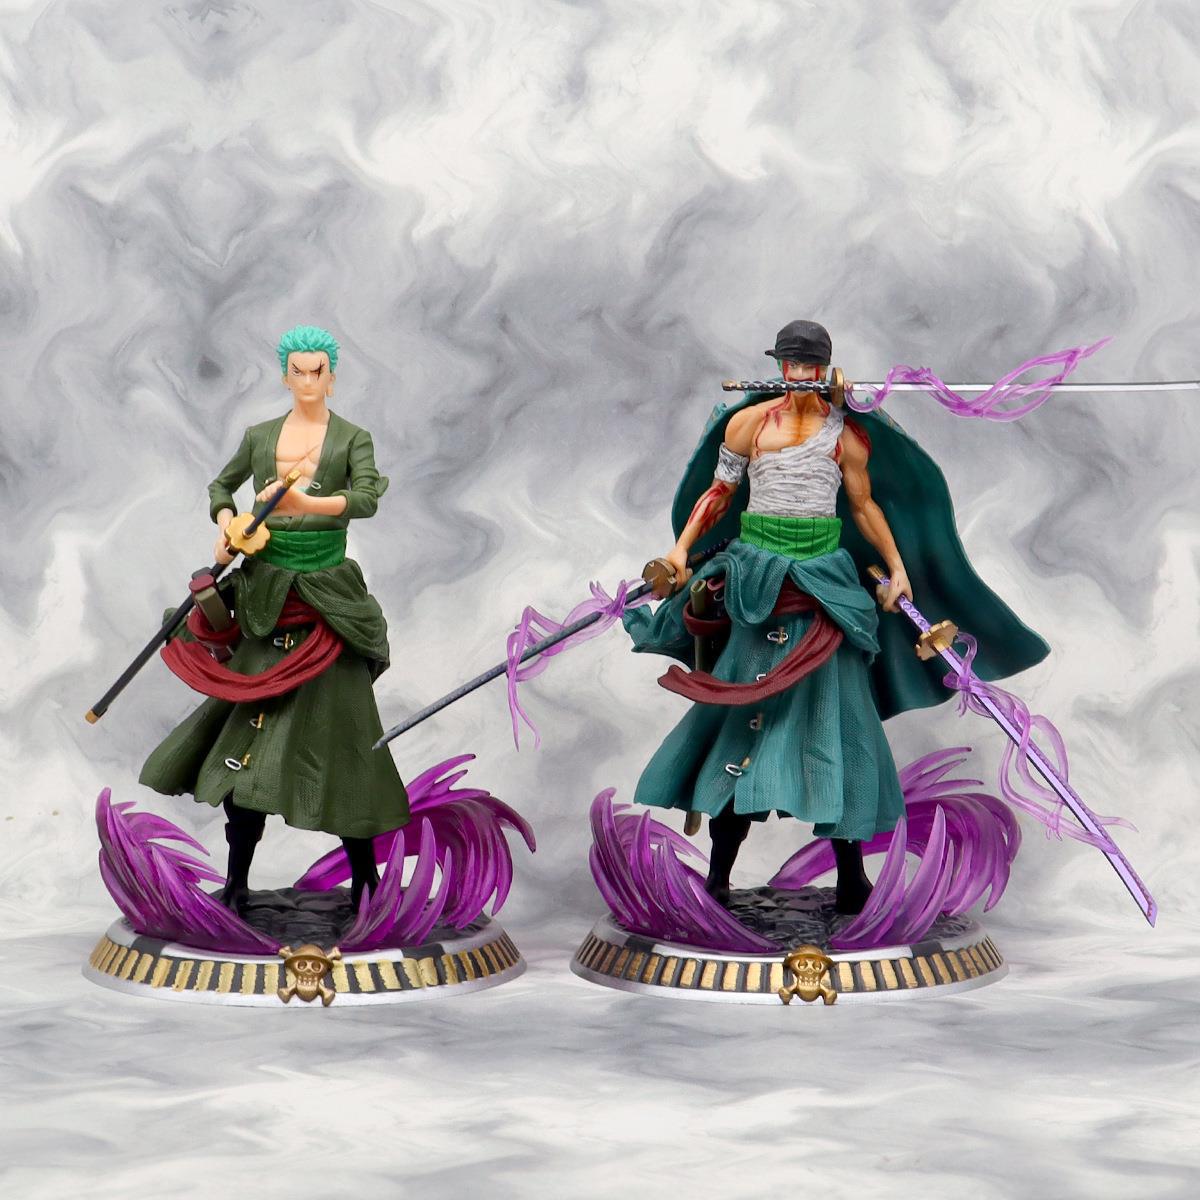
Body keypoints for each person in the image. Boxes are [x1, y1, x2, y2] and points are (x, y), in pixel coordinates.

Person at [623, 320, 1049, 912]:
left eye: (809, 365)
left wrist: (897, 567)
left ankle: (852, 879)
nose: (799, 374)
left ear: (823, 368)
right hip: (757, 582)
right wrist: (679, 551)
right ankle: (718, 876)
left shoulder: (844, 433)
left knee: (842, 730)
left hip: (826, 588)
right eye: (791, 364)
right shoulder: (749, 424)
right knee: (740, 724)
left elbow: (864, 505)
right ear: (780, 367)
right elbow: (718, 494)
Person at [140, 325, 408, 911]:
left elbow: (366, 498)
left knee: (348, 749)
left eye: (318, 371)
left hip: (327, 604)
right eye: (298, 371)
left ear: (331, 376)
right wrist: (228, 525)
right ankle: (236, 883)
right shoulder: (261, 436)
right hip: (265, 600)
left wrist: (306, 502)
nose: (308, 381)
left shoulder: (352, 438)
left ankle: (367, 882)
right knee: (247, 750)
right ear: (285, 375)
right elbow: (221, 485)